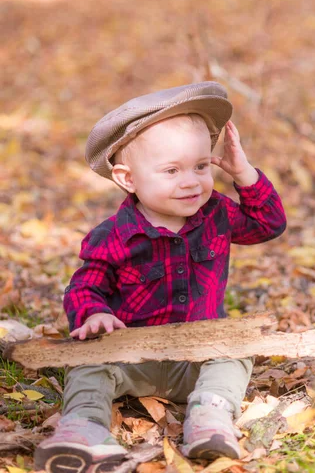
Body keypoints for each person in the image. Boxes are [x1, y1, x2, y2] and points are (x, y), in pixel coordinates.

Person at [34, 81, 286, 473]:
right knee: (86, 363)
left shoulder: (216, 213)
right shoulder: (114, 235)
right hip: (128, 358)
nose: (190, 181)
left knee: (235, 349)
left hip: (195, 357)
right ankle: (84, 428)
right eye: (172, 170)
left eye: (201, 166)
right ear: (128, 179)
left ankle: (209, 417)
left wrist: (245, 174)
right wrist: (92, 314)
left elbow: (267, 224)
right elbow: (87, 284)